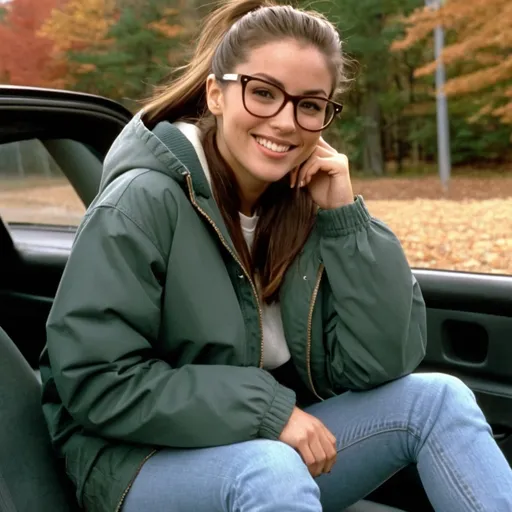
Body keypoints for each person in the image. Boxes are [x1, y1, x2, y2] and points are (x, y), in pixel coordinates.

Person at [40, 1, 512, 511]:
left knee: (439, 399)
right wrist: (266, 410)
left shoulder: (301, 205)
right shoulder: (140, 203)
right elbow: (97, 380)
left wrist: (347, 222)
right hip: (132, 464)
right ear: (216, 94)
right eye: (263, 93)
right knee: (271, 468)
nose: (286, 122)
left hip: (256, 447)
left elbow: (381, 364)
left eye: (309, 105)